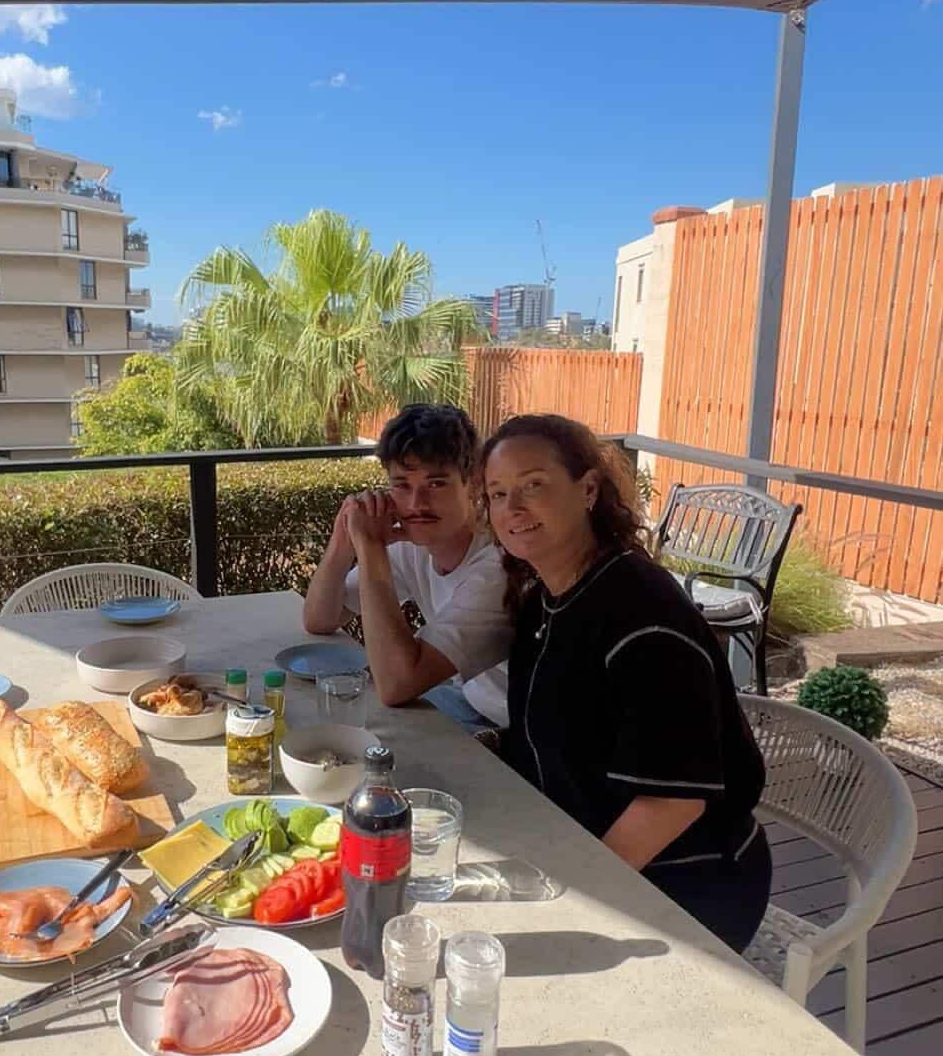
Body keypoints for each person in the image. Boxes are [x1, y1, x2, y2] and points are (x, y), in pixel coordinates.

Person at [478, 412, 771, 952]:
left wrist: (574, 896)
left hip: (684, 883)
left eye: (533, 485)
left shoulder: (641, 615)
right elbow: (558, 729)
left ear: (588, 489)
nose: (512, 508)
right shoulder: (546, 599)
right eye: (497, 494)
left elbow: (672, 803)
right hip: (582, 845)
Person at [303, 403, 512, 715]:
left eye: (436, 484)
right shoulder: (412, 547)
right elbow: (320, 619)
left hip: (508, 728)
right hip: (463, 699)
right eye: (402, 485)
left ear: (473, 484)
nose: (417, 503)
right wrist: (343, 540)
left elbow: (397, 684)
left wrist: (371, 549)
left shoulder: (498, 566)